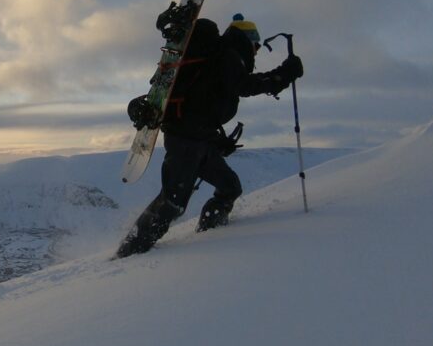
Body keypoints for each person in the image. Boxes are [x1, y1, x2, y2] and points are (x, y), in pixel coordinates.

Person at [116, 14, 304, 258]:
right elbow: (245, 86)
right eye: (256, 46)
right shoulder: (229, 55)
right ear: (248, 40)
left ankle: (211, 233)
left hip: (198, 139)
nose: (255, 53)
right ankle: (130, 251)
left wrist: (216, 141)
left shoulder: (218, 58)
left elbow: (202, 105)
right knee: (173, 201)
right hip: (186, 141)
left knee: (230, 187)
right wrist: (283, 74)